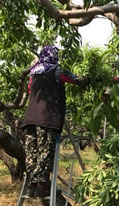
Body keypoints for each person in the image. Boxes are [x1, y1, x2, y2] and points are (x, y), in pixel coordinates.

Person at [21, 45, 87, 197]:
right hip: (47, 118)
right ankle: (43, 184)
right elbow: (78, 80)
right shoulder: (57, 71)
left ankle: (32, 185)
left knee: (32, 152)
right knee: (45, 151)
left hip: (30, 119)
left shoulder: (33, 72)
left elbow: (31, 91)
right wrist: (94, 78)